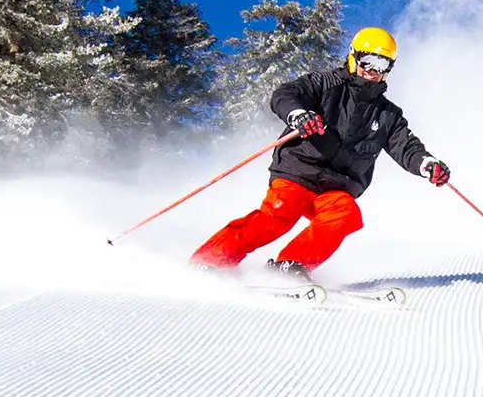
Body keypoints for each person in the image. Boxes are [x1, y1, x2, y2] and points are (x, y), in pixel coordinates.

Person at [192, 26, 449, 279]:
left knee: (346, 214)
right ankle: (211, 259)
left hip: (337, 187)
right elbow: (285, 94)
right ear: (353, 57)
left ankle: (290, 265)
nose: (372, 71)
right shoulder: (326, 84)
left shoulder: (387, 114)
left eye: (381, 65)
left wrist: (426, 163)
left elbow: (406, 146)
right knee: (277, 217)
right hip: (298, 171)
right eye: (368, 61)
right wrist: (298, 115)